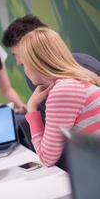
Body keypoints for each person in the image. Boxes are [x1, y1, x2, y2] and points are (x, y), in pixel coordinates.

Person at [18, 27, 100, 166]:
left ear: (35, 63)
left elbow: (47, 158)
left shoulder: (62, 91)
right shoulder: (75, 81)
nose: (25, 70)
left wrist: (32, 108)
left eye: (24, 64)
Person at [2, 15, 100, 119]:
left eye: (18, 55)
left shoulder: (85, 65)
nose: (18, 62)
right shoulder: (34, 78)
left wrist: (32, 108)